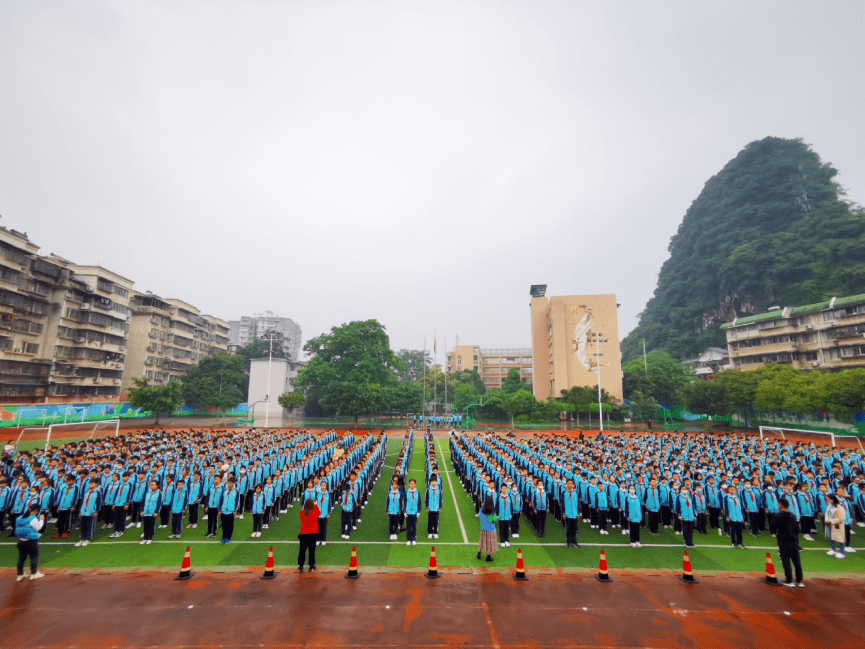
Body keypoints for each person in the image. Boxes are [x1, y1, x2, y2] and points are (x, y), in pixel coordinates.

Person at [773, 497, 804, 587]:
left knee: (786, 560)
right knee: (796, 561)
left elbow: (773, 528)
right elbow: (797, 529)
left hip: (783, 541)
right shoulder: (793, 516)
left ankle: (789, 580)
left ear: (780, 505)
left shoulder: (777, 516)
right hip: (794, 541)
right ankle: (799, 580)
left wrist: (778, 534)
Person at [15, 504, 44, 581]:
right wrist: (41, 520)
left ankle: (20, 575)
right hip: (31, 542)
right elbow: (38, 528)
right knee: (33, 557)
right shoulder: (33, 518)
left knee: (21, 558)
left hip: (21, 541)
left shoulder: (19, 518)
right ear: (35, 511)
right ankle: (33, 574)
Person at [298, 498, 321, 572]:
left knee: (302, 551)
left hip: (303, 534)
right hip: (312, 534)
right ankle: (311, 566)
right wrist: (316, 505)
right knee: (311, 551)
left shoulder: (302, 512)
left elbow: (301, 515)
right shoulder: (314, 512)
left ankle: (301, 566)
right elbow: (319, 513)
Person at [140, 480, 162, 545]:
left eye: (153, 485)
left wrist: (156, 512)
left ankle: (149, 538)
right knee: (145, 526)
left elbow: (159, 503)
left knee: (151, 526)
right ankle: (145, 538)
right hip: (145, 512)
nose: (151, 486)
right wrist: (142, 511)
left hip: (152, 512)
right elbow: (143, 502)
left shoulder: (159, 493)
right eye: (150, 485)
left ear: (157, 486)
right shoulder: (147, 492)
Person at [477, 498, 498, 562]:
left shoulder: (482, 510)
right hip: (491, 529)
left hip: (483, 528)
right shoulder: (492, 511)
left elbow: (480, 516)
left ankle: (479, 553)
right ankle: (488, 556)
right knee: (490, 542)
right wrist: (497, 518)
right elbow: (494, 520)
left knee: (482, 541)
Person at [404, 479, 422, 546]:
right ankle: (408, 539)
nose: (412, 485)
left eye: (413, 483)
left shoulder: (417, 492)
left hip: (415, 512)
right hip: (408, 512)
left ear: (415, 484)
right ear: (409, 484)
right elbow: (404, 502)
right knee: (408, 526)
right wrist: (404, 511)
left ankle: (413, 538)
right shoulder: (406, 492)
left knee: (414, 526)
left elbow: (419, 502)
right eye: (410, 484)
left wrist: (418, 511)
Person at [425, 475, 442, 539]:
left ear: (436, 482)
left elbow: (440, 499)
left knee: (436, 520)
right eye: (432, 481)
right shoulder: (428, 489)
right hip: (430, 508)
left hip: (436, 508)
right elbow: (426, 499)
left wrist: (440, 507)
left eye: (434, 481)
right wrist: (427, 507)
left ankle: (435, 532)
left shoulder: (438, 489)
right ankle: (430, 532)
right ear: (430, 482)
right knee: (430, 520)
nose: (433, 482)